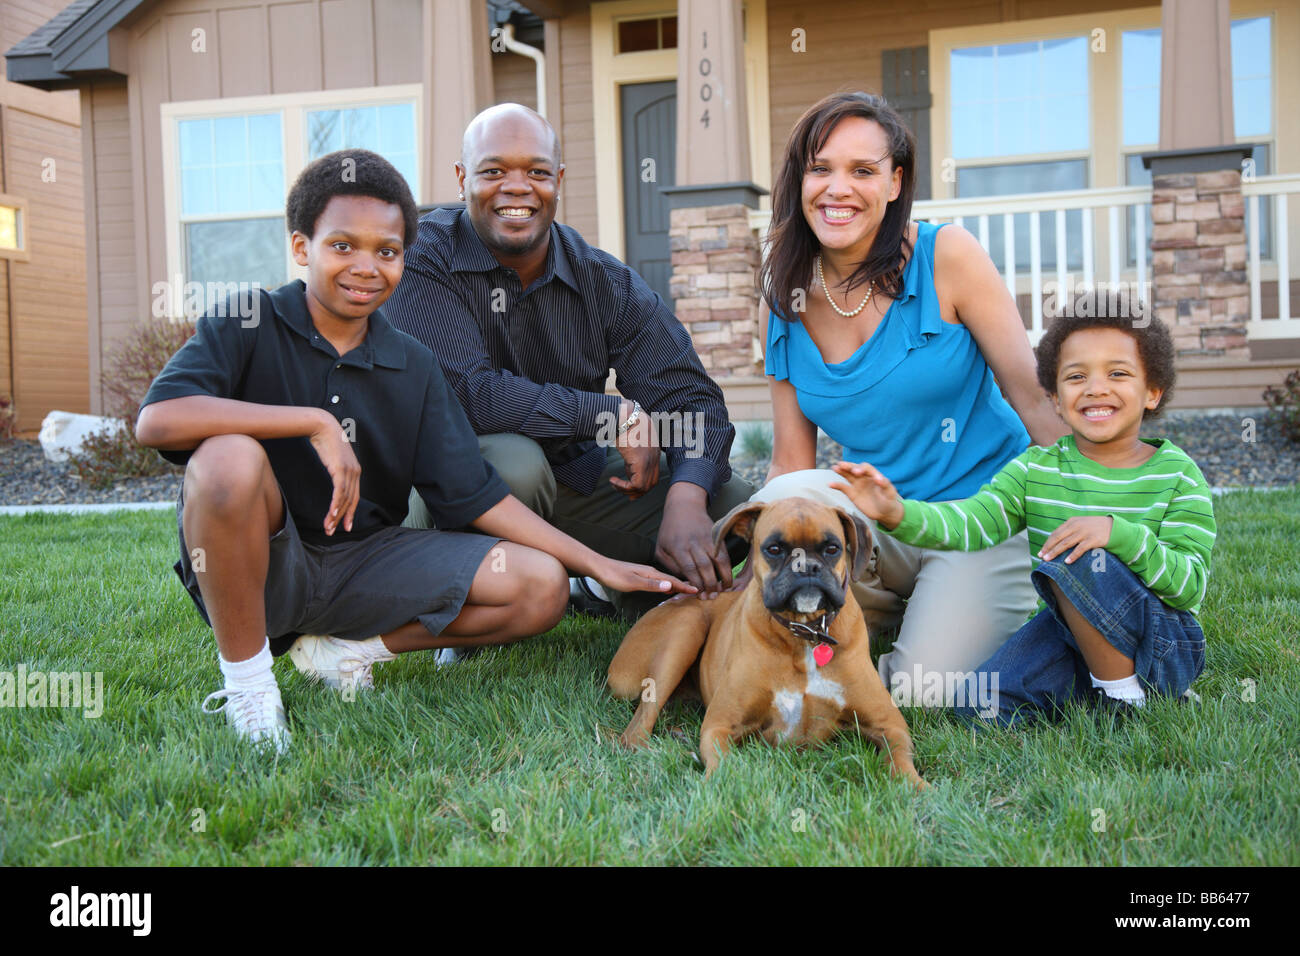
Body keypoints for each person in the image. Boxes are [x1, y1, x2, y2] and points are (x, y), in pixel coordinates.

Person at [136, 149, 693, 752]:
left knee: (540, 584)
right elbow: (158, 420)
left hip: (366, 565)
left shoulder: (413, 362)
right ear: (302, 248)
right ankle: (249, 686)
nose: (366, 267)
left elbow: (476, 496)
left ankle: (348, 653)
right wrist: (312, 423)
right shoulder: (249, 321)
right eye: (342, 246)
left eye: (387, 251)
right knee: (227, 459)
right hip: (262, 570)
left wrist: (597, 565)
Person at [748, 91, 1069, 705]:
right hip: (878, 522)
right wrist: (749, 571)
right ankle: (871, 613)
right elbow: (790, 462)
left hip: (981, 521)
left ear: (895, 183)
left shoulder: (947, 256)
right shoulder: (784, 295)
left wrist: (1099, 504)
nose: (837, 189)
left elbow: (1031, 397)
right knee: (795, 500)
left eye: (862, 171)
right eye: (821, 168)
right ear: (799, 180)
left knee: (924, 689)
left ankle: (898, 631)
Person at [383, 103, 753, 623]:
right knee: (515, 464)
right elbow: (466, 393)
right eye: (493, 171)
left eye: (536, 171)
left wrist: (687, 501)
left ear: (558, 181)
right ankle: (470, 604)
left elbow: (689, 397)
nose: (517, 187)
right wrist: (611, 415)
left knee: (730, 505)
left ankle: (614, 589)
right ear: (463, 178)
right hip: (444, 487)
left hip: (569, 475)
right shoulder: (422, 257)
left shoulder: (604, 280)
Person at [831, 312, 1213, 725]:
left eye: (1118, 373)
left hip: (1159, 642)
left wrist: (1115, 534)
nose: (1096, 389)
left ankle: (1128, 701)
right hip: (1065, 634)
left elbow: (1188, 586)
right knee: (979, 705)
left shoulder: (1177, 475)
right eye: (1076, 377)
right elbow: (970, 523)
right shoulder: (1035, 469)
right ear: (1054, 399)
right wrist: (896, 512)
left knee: (1081, 556)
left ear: (1152, 392)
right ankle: (1093, 691)